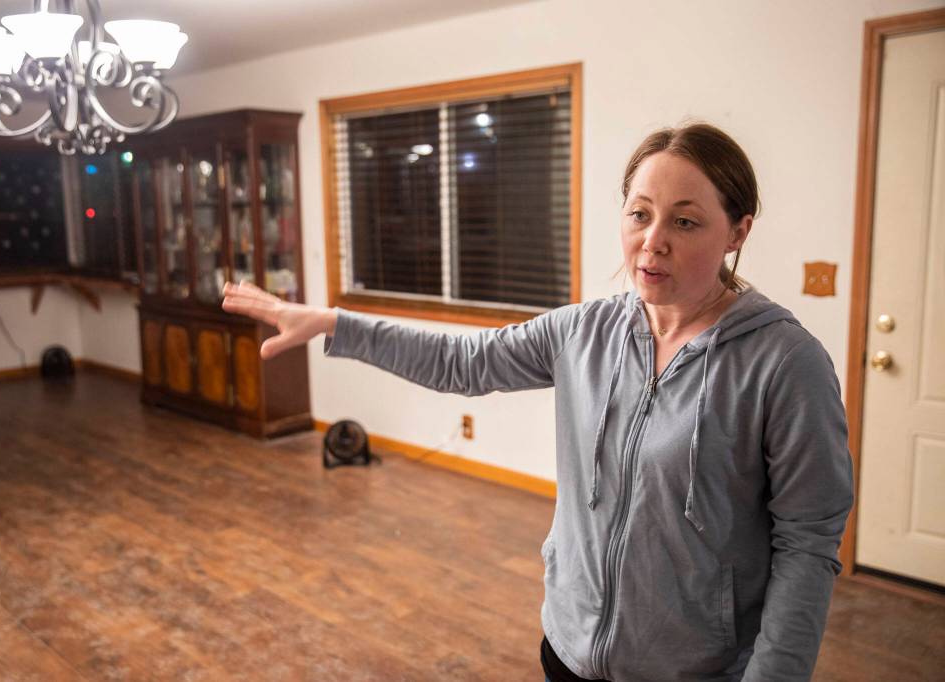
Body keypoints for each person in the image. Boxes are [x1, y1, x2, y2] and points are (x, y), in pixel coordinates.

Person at [221, 122, 855, 682]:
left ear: (738, 231)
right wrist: (335, 323)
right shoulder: (584, 332)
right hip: (571, 649)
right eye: (639, 214)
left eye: (685, 221)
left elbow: (807, 544)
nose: (652, 241)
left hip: (695, 668)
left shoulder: (784, 364)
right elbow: (463, 363)